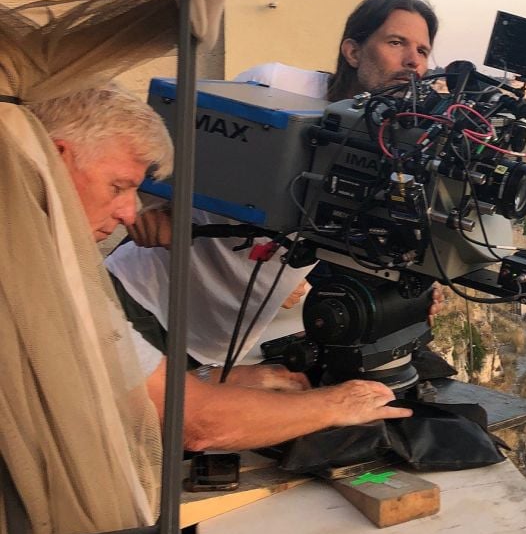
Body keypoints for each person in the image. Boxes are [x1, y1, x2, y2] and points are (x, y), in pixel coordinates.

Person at [29, 84, 413, 451]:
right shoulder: (49, 287)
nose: (130, 213)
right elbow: (194, 424)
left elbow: (118, 387)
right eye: (118, 187)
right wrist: (337, 405)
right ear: (58, 158)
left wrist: (217, 379)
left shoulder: (45, 256)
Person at [105, 0, 440, 372]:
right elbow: (176, 144)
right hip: (143, 294)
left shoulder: (393, 147)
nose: (412, 60)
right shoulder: (276, 84)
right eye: (396, 42)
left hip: (221, 338)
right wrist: (148, 206)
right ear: (353, 51)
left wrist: (416, 290)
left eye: (423, 51)